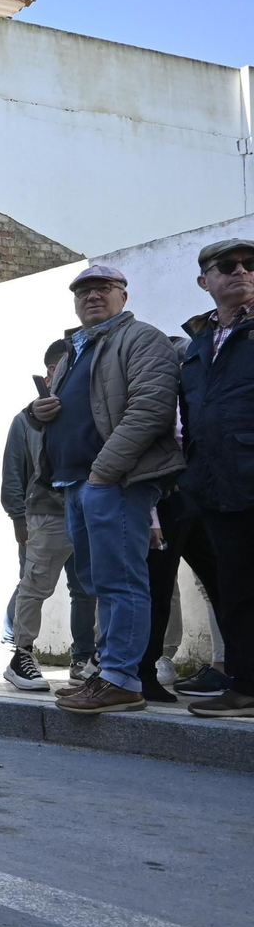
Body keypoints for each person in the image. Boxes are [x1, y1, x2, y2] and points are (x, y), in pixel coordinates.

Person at [29, 266, 182, 715]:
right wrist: (40, 412)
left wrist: (102, 474)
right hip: (75, 483)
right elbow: (73, 411)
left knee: (122, 581)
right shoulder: (79, 347)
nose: (92, 296)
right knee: (101, 583)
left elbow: (151, 409)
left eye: (103, 288)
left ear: (122, 294)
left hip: (114, 481)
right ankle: (108, 672)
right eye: (83, 291)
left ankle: (122, 678)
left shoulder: (142, 338)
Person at [176, 237, 254, 717]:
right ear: (206, 281)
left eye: (250, 264)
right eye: (228, 265)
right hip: (215, 483)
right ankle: (245, 684)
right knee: (237, 588)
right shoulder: (198, 343)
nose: (242, 271)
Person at [0, 341, 96, 691]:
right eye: (59, 369)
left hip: (89, 504)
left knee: (89, 587)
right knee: (36, 584)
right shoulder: (28, 417)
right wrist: (17, 517)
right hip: (46, 510)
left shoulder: (92, 403)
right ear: (49, 373)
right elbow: (13, 472)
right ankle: (20, 654)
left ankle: (86, 657)